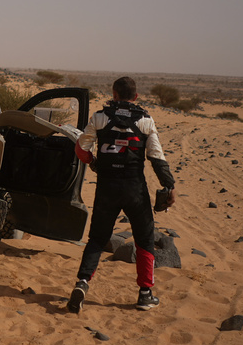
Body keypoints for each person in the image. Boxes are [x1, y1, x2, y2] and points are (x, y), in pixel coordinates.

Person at [67, 76, 176, 313]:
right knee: (145, 239)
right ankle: (145, 294)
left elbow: (80, 149)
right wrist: (169, 185)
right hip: (135, 189)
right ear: (135, 97)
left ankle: (82, 283)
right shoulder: (146, 120)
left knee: (97, 238)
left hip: (107, 188)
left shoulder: (99, 117)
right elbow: (157, 158)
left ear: (114, 95)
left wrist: (94, 162)